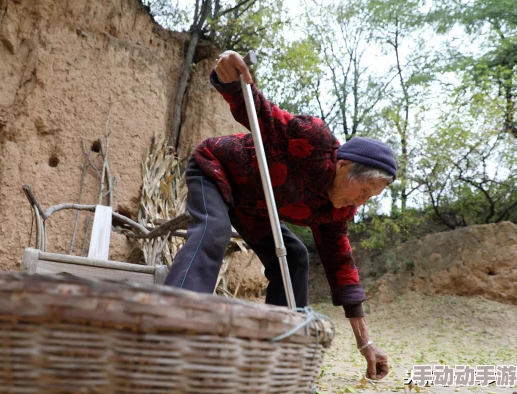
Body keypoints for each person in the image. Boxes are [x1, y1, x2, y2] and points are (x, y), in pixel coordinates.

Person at [164, 50, 392, 380]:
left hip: (254, 207)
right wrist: (230, 79)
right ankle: (171, 323)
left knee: (295, 256)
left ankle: (278, 349)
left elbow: (343, 270)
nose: (362, 202)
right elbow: (263, 115)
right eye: (365, 191)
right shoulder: (315, 140)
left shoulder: (336, 211)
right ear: (343, 166)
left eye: (370, 198)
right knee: (214, 230)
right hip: (216, 171)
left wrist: (366, 344)